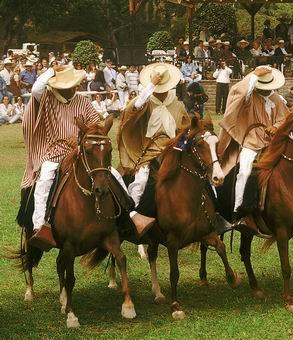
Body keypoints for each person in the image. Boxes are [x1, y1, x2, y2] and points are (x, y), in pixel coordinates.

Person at [21, 63, 152, 251]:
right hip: (56, 152)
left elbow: (95, 125)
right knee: (45, 178)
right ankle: (40, 226)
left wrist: (89, 138)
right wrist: (52, 70)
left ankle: (131, 213)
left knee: (113, 173)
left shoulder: (82, 101)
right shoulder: (47, 98)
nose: (71, 89)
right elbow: (36, 88)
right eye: (67, 86)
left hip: (83, 152)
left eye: (73, 85)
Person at [218, 65, 288, 234]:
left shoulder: (277, 99)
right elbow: (236, 92)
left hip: (272, 143)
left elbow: (285, 119)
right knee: (245, 169)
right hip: (251, 140)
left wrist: (276, 126)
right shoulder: (248, 96)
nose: (267, 91)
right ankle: (239, 211)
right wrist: (253, 76)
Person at [118, 62, 189, 212]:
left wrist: (181, 148)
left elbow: (185, 130)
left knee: (200, 176)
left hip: (173, 152)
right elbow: (134, 107)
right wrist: (151, 86)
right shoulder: (145, 103)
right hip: (147, 152)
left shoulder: (178, 104)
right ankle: (133, 214)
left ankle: (214, 212)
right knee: (141, 181)